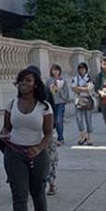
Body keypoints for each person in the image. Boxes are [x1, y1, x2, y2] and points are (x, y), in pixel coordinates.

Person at [0, 67, 54, 211]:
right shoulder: (12, 104)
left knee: (38, 193)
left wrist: (38, 148)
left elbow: (48, 134)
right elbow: (6, 127)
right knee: (19, 196)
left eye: (28, 80)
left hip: (37, 155)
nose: (23, 84)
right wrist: (4, 135)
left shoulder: (44, 107)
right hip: (14, 154)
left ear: (35, 84)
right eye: (21, 81)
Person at [44, 64, 69, 195]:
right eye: (53, 69)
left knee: (58, 120)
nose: (55, 72)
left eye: (57, 69)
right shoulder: (48, 82)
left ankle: (52, 183)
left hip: (59, 104)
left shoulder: (63, 80)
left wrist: (59, 93)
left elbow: (65, 93)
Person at [71, 62, 96, 145]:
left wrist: (79, 88)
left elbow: (89, 88)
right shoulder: (76, 78)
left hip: (88, 100)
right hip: (79, 100)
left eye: (83, 68)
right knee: (79, 119)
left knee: (88, 120)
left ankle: (89, 137)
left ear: (86, 69)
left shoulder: (89, 78)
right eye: (80, 68)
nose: (82, 70)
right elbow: (73, 88)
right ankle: (82, 136)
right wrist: (84, 88)